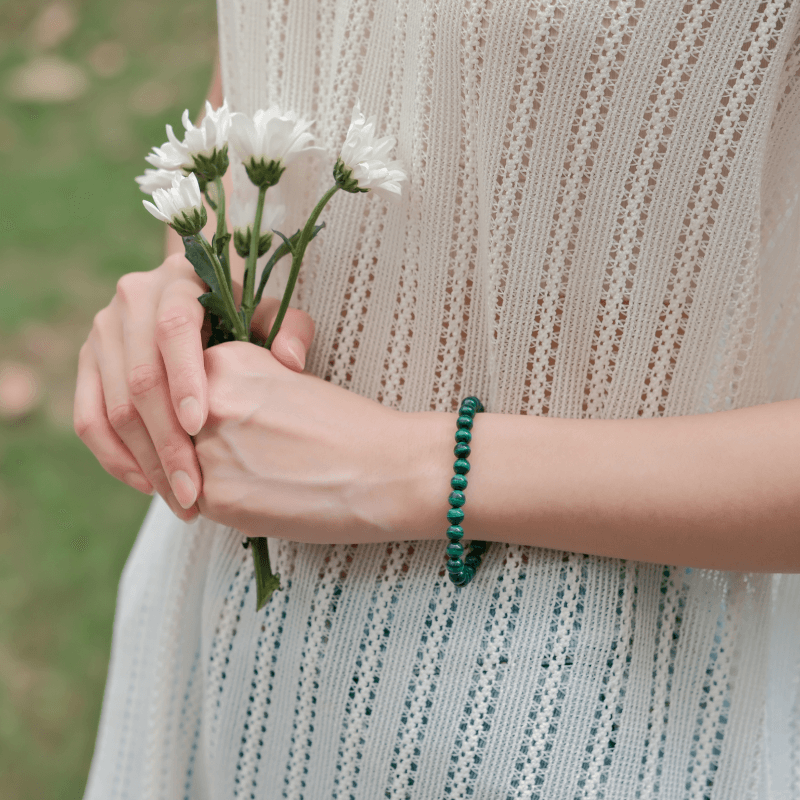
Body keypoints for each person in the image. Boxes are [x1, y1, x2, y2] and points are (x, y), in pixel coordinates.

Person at [77, 2, 800, 798]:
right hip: (215, 641)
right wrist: (192, 284)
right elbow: (259, 79)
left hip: (567, 713)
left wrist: (409, 468)